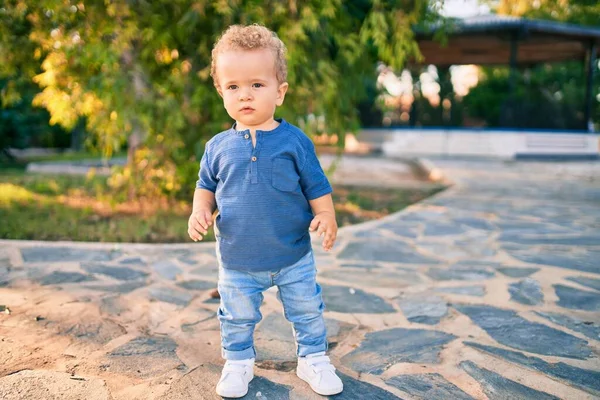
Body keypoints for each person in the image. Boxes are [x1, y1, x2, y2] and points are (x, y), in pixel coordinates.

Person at [188, 24, 343, 398]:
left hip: (292, 255)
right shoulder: (218, 147)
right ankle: (238, 362)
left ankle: (313, 358)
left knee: (307, 311)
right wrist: (200, 211)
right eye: (234, 87)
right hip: (238, 259)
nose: (245, 95)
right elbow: (205, 187)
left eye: (257, 85)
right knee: (237, 317)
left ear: (280, 92)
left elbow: (316, 186)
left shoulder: (294, 141)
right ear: (221, 92)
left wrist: (327, 215)